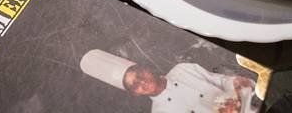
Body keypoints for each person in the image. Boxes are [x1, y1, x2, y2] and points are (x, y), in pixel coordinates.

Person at [80, 49, 256, 113]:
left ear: (145, 68)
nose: (141, 82)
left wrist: (235, 83)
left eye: (139, 74)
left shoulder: (183, 69)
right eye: (135, 85)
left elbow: (223, 81)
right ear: (135, 94)